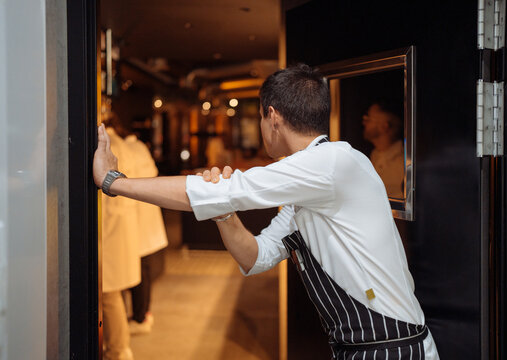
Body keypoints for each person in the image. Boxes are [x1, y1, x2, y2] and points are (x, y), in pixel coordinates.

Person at [93, 64, 439, 359]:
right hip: (357, 345)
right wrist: (224, 213)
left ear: (271, 116)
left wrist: (113, 182)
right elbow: (254, 258)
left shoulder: (334, 162)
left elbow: (226, 190)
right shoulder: (308, 188)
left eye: (259, 116)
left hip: (393, 344)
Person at [101, 115, 140, 360]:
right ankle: (118, 347)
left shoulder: (109, 146)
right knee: (114, 293)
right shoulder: (123, 145)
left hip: (111, 228)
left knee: (109, 294)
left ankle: (117, 350)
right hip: (122, 225)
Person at [123, 135, 168, 335]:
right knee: (144, 269)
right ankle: (143, 314)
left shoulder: (125, 150)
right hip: (147, 217)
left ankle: (141, 317)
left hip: (137, 218)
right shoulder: (140, 146)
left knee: (138, 271)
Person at [362, 101, 405, 198]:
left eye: (368, 118)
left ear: (384, 127)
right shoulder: (374, 155)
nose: (364, 122)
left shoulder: (403, 164)